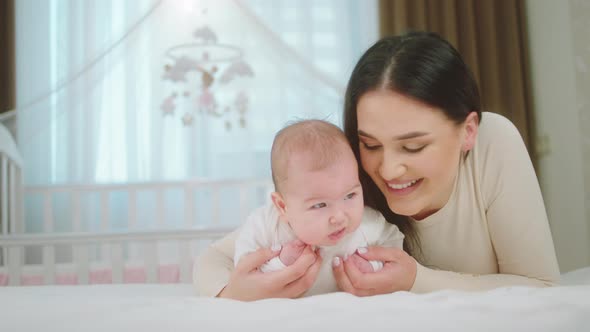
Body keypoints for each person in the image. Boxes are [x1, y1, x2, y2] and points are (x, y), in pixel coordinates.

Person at [193, 31, 560, 300]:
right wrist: (234, 292)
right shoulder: (348, 176)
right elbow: (213, 259)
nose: (387, 169)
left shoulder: (493, 143)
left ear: (467, 131)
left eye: (413, 146)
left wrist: (416, 280)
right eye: (370, 144)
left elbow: (542, 286)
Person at [231, 120, 404, 297]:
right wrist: (280, 264)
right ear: (283, 207)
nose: (339, 217)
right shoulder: (265, 225)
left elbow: (395, 247)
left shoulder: (369, 224)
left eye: (350, 196)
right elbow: (244, 269)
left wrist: (374, 267)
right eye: (320, 205)